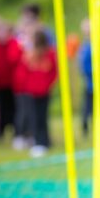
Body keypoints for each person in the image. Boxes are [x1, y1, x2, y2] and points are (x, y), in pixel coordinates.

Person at [13, 28, 58, 157]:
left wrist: (47, 85)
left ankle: (43, 142)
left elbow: (53, 72)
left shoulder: (49, 54)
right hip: (31, 92)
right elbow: (22, 73)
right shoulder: (28, 54)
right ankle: (38, 142)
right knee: (34, 118)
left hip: (42, 92)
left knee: (41, 117)